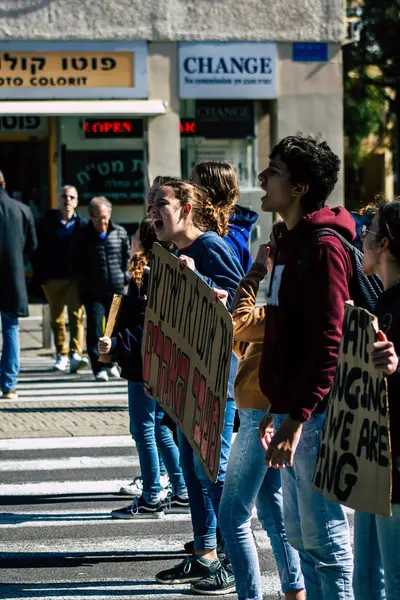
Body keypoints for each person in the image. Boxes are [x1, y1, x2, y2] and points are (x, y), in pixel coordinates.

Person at [258, 136, 355, 599]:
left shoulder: (322, 248)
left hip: (313, 418)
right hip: (291, 413)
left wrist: (296, 419)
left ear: (299, 188)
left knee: (326, 544)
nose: (261, 178)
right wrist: (274, 410)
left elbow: (329, 344)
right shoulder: (287, 242)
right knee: (301, 540)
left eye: (273, 171)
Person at [150, 180, 244, 595]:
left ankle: (232, 559)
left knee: (213, 471)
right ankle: (205, 554)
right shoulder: (179, 252)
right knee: (193, 470)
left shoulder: (207, 247)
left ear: (187, 208)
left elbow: (240, 307)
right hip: (191, 382)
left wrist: (198, 280)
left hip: (216, 381)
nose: (152, 211)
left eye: (161, 203)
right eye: (150, 203)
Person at [219, 223, 305, 600]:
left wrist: (254, 270)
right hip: (260, 410)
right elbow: (245, 345)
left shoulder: (284, 307)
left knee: (233, 515)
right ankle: (295, 591)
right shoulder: (281, 304)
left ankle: (251, 596)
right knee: (273, 515)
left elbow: (239, 322)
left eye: (271, 248)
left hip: (258, 414)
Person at [98, 217, 188, 518]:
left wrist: (116, 342)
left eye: (136, 237)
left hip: (143, 365)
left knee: (143, 430)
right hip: (155, 363)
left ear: (145, 244)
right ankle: (182, 490)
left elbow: (145, 327)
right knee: (160, 429)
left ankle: (151, 496)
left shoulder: (146, 279)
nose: (131, 241)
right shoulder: (157, 276)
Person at [353, 200, 400, 600]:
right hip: (376, 464)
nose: (361, 240)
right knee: (366, 580)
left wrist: (397, 367)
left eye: (367, 233)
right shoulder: (382, 302)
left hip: (395, 469)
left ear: (383, 244)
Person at [72, 196, 130, 382]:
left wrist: (124, 276)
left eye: (105, 217)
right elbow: (76, 263)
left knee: (114, 329)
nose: (102, 222)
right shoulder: (82, 235)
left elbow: (127, 258)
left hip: (116, 289)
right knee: (96, 329)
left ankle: (112, 362)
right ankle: (98, 367)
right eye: (98, 218)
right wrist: (83, 283)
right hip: (93, 292)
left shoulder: (119, 232)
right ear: (90, 217)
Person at [34, 185, 88, 373]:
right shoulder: (46, 223)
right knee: (56, 319)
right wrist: (41, 275)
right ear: (58, 199)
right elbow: (37, 249)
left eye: (72, 197)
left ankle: (76, 353)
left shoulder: (82, 224)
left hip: (74, 278)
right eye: (64, 196)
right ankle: (61, 354)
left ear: (76, 201)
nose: (67, 200)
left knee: (76, 316)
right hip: (52, 278)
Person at [0, 170, 37, 399]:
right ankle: (9, 383)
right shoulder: (22, 209)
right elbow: (32, 245)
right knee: (11, 329)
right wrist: (17, 260)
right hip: (12, 277)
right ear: (4, 183)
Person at [190, 160, 258, 272]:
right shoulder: (212, 230)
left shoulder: (227, 239)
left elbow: (231, 288)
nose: (187, 188)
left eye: (192, 183)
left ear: (210, 191)